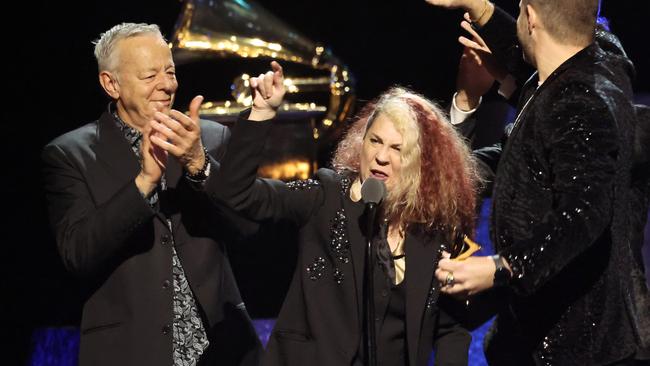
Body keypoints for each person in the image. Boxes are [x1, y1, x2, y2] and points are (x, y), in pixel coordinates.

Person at [195, 60, 480, 365]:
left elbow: (452, 328)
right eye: (375, 141)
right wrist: (261, 115)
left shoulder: (441, 227)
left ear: (422, 162)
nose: (381, 157)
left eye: (398, 149)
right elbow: (236, 193)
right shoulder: (327, 195)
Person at [424, 0, 650, 365]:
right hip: (560, 332)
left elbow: (584, 214)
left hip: (570, 345)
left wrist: (502, 266)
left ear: (529, 17)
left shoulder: (579, 101)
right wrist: (479, 7)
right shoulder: (605, 60)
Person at [42, 23, 261, 366]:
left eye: (170, 71)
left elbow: (248, 227)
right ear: (110, 84)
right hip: (129, 351)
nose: (168, 85)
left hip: (222, 350)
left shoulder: (210, 138)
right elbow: (78, 253)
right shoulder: (70, 155)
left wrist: (199, 166)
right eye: (150, 76)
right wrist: (144, 183)